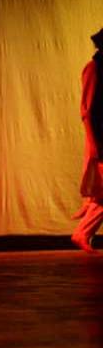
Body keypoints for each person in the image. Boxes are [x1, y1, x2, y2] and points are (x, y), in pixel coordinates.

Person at [72, 28, 103, 254]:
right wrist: (93, 143)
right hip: (101, 137)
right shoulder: (94, 68)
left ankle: (85, 226)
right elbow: (87, 109)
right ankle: (83, 231)